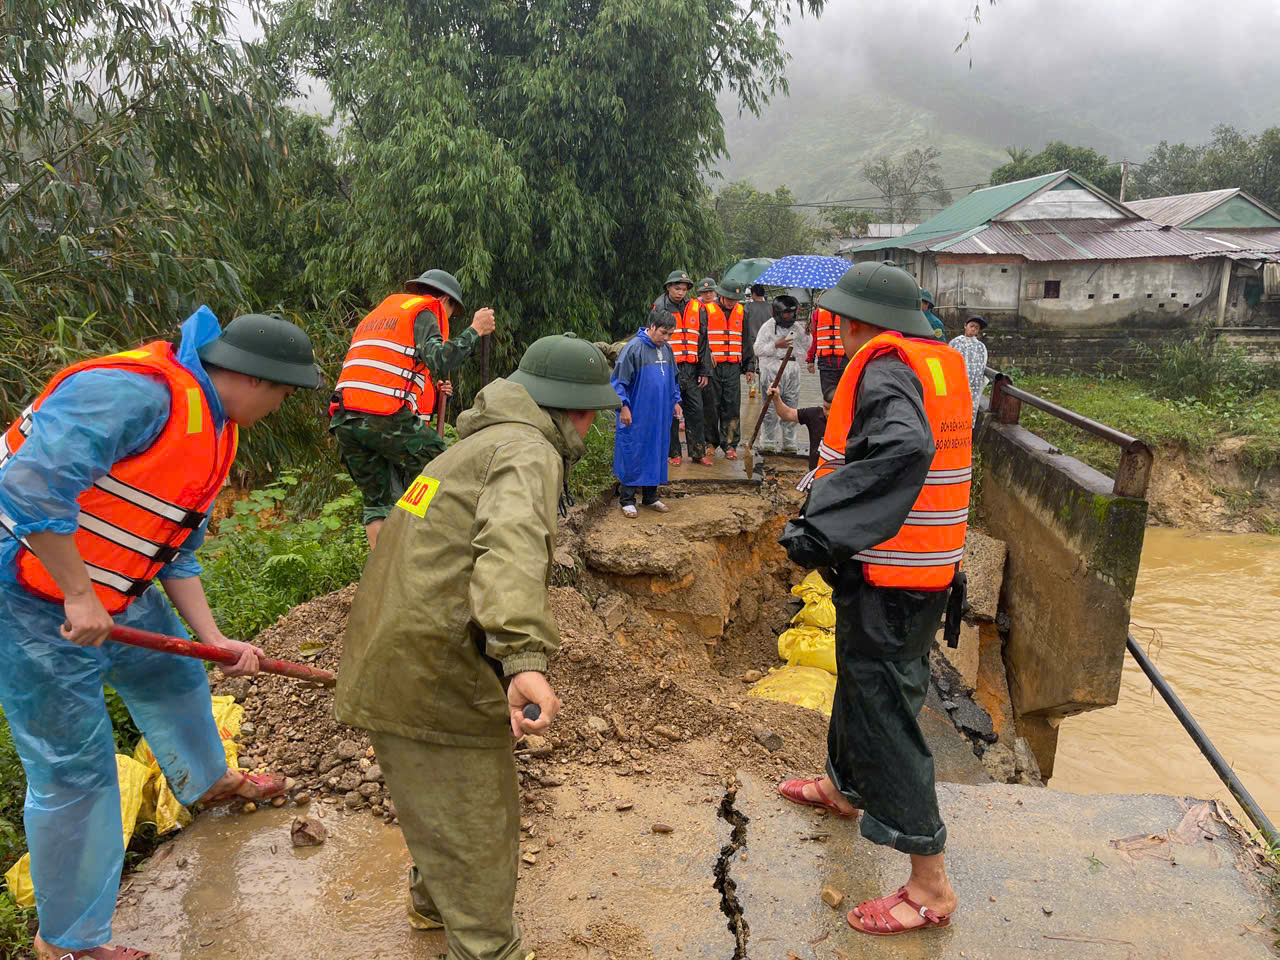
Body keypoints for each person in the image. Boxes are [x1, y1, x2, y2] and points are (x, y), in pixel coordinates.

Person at [0, 307, 320, 960]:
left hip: (114, 585)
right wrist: (81, 595)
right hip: (26, 590)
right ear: (254, 378)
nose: (280, 408)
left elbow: (174, 553)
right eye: (284, 394)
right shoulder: (133, 394)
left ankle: (205, 782)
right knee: (75, 770)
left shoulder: (213, 429)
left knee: (173, 673)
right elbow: (28, 487)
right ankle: (66, 943)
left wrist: (216, 638)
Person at [333, 332, 619, 960]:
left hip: (398, 655)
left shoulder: (475, 446)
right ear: (576, 410)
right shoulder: (526, 452)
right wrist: (522, 661)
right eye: (596, 412)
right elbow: (509, 551)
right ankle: (488, 948)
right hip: (434, 669)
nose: (598, 425)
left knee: (442, 798)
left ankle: (432, 903)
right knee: (477, 819)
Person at [776, 261, 972, 938]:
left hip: (894, 577)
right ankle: (843, 788)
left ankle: (931, 887)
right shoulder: (936, 361)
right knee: (860, 680)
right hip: (922, 570)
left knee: (886, 710)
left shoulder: (885, 366)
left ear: (856, 318)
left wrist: (823, 527)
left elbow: (904, 448)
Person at [329, 268, 497, 549]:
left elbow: (388, 373)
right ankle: (440, 550)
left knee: (377, 505)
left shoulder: (380, 316)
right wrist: (475, 330)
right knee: (445, 468)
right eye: (451, 312)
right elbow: (441, 359)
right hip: (381, 416)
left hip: (345, 419)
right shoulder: (425, 313)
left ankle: (382, 579)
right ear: (444, 300)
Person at [611, 308, 682, 517]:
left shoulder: (667, 349)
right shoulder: (633, 349)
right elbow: (618, 382)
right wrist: (623, 406)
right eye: (663, 333)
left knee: (657, 450)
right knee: (634, 451)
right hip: (636, 412)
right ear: (651, 327)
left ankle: (651, 497)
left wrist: (676, 401)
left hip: (660, 412)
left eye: (670, 334)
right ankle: (627, 499)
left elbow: (674, 379)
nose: (666, 338)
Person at [657, 269, 712, 466]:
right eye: (676, 288)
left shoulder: (698, 308)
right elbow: (654, 340)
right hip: (670, 368)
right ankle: (673, 453)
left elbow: (704, 341)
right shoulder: (659, 308)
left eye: (684, 289)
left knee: (696, 410)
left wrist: (705, 370)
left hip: (692, 367)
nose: (680, 292)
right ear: (668, 288)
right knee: (671, 412)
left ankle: (698, 452)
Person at [752, 294, 809, 455]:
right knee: (769, 406)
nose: (789, 316)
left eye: (792, 313)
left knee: (791, 405)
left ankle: (789, 442)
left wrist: (808, 333)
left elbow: (806, 346)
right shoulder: (767, 327)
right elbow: (758, 349)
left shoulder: (797, 327)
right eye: (786, 313)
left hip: (791, 368)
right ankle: (768, 442)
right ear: (777, 312)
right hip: (771, 368)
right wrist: (777, 344)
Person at [703, 281, 748, 460]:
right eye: (729, 298)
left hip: (732, 367)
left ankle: (730, 445)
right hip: (713, 366)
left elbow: (746, 340)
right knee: (711, 405)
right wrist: (708, 354)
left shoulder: (742, 312)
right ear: (721, 295)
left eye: (735, 299)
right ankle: (710, 442)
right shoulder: (706, 311)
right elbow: (700, 336)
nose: (731, 302)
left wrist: (749, 366)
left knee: (731, 406)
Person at [767, 384, 833, 472]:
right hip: (815, 471)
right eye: (825, 408)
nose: (827, 413)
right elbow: (787, 414)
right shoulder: (815, 414)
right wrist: (776, 398)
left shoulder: (849, 422)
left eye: (832, 409)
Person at [948, 315, 989, 425]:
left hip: (973, 387)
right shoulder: (955, 342)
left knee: (969, 411)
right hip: (955, 383)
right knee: (953, 410)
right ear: (965, 326)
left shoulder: (981, 347)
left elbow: (982, 366)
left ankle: (966, 437)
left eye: (976, 328)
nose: (973, 329)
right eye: (971, 326)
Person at [806, 302, 848, 399]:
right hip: (838, 362)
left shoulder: (818, 312)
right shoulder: (847, 312)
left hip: (832, 363)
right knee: (842, 397)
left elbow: (813, 338)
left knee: (830, 397)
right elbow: (813, 338)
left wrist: (810, 360)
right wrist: (810, 359)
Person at [742, 283, 769, 381]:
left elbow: (743, 324)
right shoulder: (771, 307)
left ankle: (753, 391)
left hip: (752, 341)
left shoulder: (748, 307)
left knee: (750, 370)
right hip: (767, 343)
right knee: (765, 371)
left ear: (753, 294)